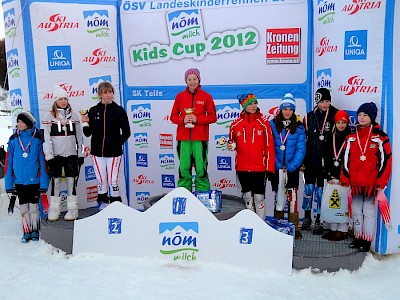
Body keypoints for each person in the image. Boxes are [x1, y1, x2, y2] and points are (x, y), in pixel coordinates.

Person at [341, 102, 392, 252]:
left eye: (365, 115)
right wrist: (345, 178)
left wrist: (381, 182)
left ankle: (367, 241)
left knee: (368, 212)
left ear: (372, 117)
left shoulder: (380, 137)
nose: (362, 118)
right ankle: (358, 237)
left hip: (371, 184)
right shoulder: (351, 137)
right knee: (356, 210)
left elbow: (386, 161)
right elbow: (345, 158)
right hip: (355, 183)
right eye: (360, 115)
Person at [82, 82, 131, 210]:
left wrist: (116, 143)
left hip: (114, 153)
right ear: (100, 94)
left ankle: (116, 205)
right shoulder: (93, 111)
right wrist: (84, 123)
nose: (108, 95)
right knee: (101, 181)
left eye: (110, 92)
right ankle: (102, 204)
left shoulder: (118, 110)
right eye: (105, 92)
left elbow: (127, 132)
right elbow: (87, 133)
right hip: (97, 153)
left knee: (113, 181)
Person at [228, 92, 275, 220]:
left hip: (259, 167)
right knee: (247, 196)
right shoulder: (235, 124)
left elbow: (269, 146)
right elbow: (231, 142)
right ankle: (251, 222)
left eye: (255, 102)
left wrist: (269, 167)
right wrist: (231, 145)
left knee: (259, 197)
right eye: (250, 103)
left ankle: (261, 224)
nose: (253, 106)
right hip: (242, 167)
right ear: (244, 106)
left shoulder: (264, 123)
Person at [4, 111, 49, 242]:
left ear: (28, 124)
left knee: (34, 207)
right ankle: (26, 231)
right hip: (19, 180)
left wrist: (44, 183)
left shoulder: (37, 139)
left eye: (22, 122)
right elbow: (8, 162)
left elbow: (42, 162)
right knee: (23, 207)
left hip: (34, 180)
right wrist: (8, 183)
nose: (19, 124)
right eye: (18, 122)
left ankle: (35, 230)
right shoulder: (13, 139)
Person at [41, 86, 85, 221]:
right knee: (56, 182)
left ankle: (73, 211)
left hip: (71, 154)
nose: (64, 101)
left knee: (72, 182)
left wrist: (81, 154)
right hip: (56, 155)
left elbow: (80, 137)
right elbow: (46, 139)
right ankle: (54, 210)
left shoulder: (75, 115)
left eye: (65, 98)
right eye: (60, 99)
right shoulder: (49, 116)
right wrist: (49, 156)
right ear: (55, 100)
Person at [170, 68, 217, 192]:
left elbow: (213, 117)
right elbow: (173, 116)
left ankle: (203, 195)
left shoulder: (206, 96)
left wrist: (198, 119)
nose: (192, 82)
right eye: (189, 79)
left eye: (194, 79)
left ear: (199, 79)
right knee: (184, 167)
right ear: (186, 81)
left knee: (201, 168)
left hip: (200, 139)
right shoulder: (180, 96)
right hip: (183, 139)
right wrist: (183, 120)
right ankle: (184, 194)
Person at [301, 88, 338, 234]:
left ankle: (319, 220)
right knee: (308, 190)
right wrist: (303, 161)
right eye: (322, 101)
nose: (325, 104)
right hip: (310, 159)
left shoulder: (335, 115)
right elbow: (304, 141)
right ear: (317, 101)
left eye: (327, 101)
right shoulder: (309, 116)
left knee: (320, 191)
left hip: (325, 161)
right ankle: (307, 217)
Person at [269, 93, 306, 239]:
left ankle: (294, 227)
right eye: (285, 109)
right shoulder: (272, 125)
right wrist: (277, 164)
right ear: (280, 109)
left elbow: (301, 149)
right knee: (278, 196)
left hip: (292, 168)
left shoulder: (299, 127)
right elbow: (269, 146)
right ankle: (278, 224)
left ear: (293, 111)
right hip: (277, 167)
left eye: (290, 109)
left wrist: (291, 166)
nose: (287, 112)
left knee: (293, 197)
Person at [321, 110, 352, 241]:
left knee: (343, 203)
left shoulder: (351, 137)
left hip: (345, 177)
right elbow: (327, 155)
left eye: (343, 122)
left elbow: (351, 159)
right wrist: (329, 175)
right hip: (333, 177)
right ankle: (334, 229)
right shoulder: (331, 136)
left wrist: (345, 176)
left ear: (347, 123)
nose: (340, 125)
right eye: (338, 122)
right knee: (334, 203)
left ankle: (343, 230)